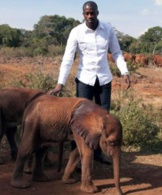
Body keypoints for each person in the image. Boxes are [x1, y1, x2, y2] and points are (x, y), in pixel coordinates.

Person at [49, 1, 130, 165]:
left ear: (97, 13)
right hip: (84, 80)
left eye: (92, 13)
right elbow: (67, 58)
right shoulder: (76, 32)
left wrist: (125, 71)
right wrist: (60, 83)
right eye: (87, 13)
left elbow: (117, 52)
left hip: (104, 80)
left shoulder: (108, 30)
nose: (90, 16)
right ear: (83, 14)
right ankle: (77, 157)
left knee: (103, 119)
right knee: (80, 119)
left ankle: (98, 153)